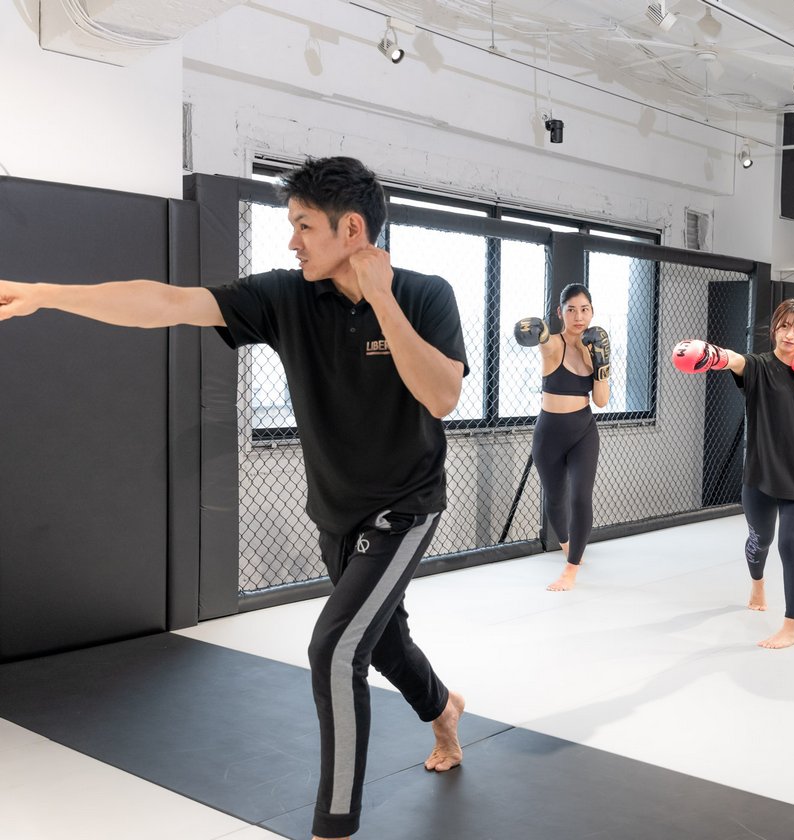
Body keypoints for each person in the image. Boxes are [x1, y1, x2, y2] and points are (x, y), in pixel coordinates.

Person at [0, 156, 468, 839]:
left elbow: (443, 396)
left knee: (335, 650)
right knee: (386, 644)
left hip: (405, 506)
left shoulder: (427, 295)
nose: (292, 241)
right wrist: (47, 293)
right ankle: (444, 710)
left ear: (352, 229)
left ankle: (333, 828)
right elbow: (167, 303)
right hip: (336, 511)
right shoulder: (284, 296)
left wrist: (382, 300)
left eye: (304, 225)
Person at [672, 298, 794, 649]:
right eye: (784, 326)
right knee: (760, 541)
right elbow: (735, 360)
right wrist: (712, 354)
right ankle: (757, 583)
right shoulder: (759, 367)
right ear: (774, 328)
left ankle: (791, 628)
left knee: (790, 544)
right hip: (761, 475)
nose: (790, 335)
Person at [513, 283, 610, 591]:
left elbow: (601, 401)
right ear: (560, 313)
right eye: (571, 310)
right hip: (549, 434)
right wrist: (539, 331)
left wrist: (602, 366)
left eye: (584, 309)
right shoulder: (554, 344)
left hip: (583, 432)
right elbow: (544, 341)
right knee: (555, 500)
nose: (578, 316)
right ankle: (569, 547)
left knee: (580, 496)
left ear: (592, 312)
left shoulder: (596, 348)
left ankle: (571, 568)